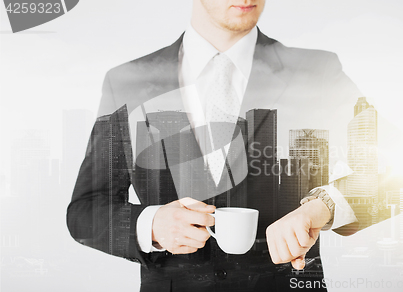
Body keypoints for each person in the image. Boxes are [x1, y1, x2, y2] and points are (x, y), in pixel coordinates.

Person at [67, 1, 370, 291]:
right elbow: (85, 210)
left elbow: (402, 169)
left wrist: (325, 205)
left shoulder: (317, 73)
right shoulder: (128, 82)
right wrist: (151, 225)